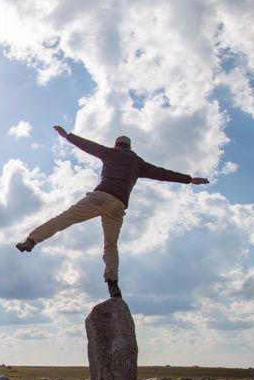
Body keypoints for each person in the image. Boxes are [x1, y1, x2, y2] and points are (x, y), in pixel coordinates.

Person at [16, 125, 209, 298]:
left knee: (63, 219)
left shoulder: (109, 153)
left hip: (99, 196)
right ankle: (112, 284)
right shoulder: (138, 163)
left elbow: (88, 145)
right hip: (117, 205)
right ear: (130, 147)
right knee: (110, 246)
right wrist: (190, 179)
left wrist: (67, 136)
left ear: (116, 145)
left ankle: (32, 240)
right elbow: (163, 173)